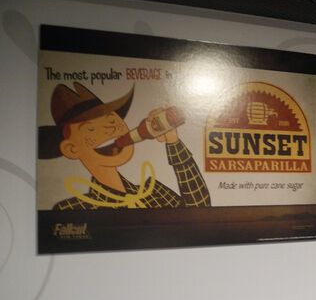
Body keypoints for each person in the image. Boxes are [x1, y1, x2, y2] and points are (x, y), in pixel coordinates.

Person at [38, 82, 211, 209]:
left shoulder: (154, 192)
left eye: (112, 120)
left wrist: (172, 141)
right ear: (71, 149)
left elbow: (199, 212)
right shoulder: (74, 208)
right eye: (91, 128)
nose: (111, 128)